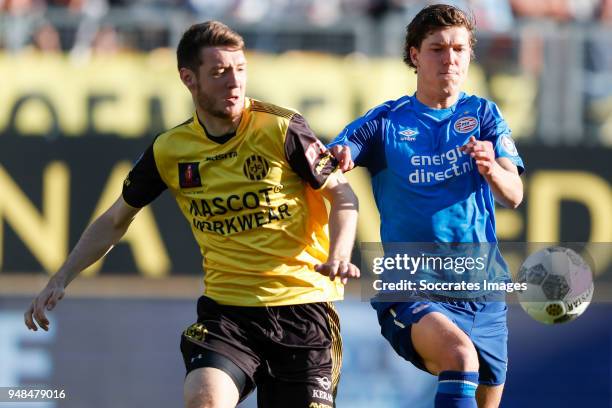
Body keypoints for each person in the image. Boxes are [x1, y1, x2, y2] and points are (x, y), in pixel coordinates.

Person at [24, 21, 360, 408]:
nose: (234, 83)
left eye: (240, 69)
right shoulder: (171, 149)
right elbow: (117, 218)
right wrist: (61, 276)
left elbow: (342, 194)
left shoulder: (280, 127)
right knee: (204, 399)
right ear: (189, 78)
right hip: (229, 316)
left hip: (303, 311)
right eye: (219, 72)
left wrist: (339, 253)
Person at [330, 4, 524, 408]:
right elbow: (341, 150)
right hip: (411, 283)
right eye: (437, 49)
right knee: (459, 357)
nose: (449, 59)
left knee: (484, 390)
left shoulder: (484, 115)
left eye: (459, 49)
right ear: (415, 55)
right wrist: (341, 155)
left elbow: (514, 194)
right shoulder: (386, 121)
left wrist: (491, 170)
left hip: (481, 286)